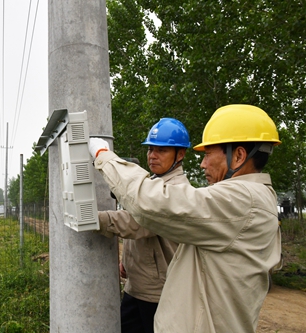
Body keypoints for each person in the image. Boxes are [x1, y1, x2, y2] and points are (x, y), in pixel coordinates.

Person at [88, 104, 282, 333]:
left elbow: (150, 204)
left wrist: (104, 156)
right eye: (151, 149)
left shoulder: (241, 200)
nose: (202, 164)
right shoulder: (252, 199)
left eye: (208, 154)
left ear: (238, 155)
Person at [97, 118, 191, 333]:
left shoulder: (176, 190)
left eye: (161, 150)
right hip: (136, 287)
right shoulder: (152, 184)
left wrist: (94, 219)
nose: (152, 156)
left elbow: (136, 223)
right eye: (150, 149)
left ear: (180, 154)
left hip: (158, 293)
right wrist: (126, 261)